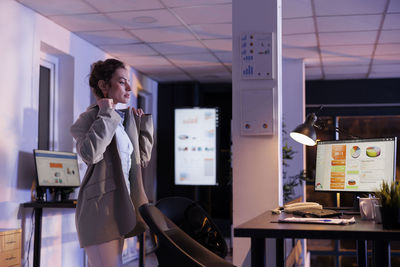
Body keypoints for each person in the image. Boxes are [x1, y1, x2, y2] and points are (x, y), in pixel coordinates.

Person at [70, 58, 153, 267]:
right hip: (98, 211)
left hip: (117, 208)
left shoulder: (121, 120)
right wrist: (106, 113)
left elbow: (141, 160)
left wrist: (142, 127)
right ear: (104, 85)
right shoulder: (88, 120)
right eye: (122, 81)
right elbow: (90, 154)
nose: (128, 87)